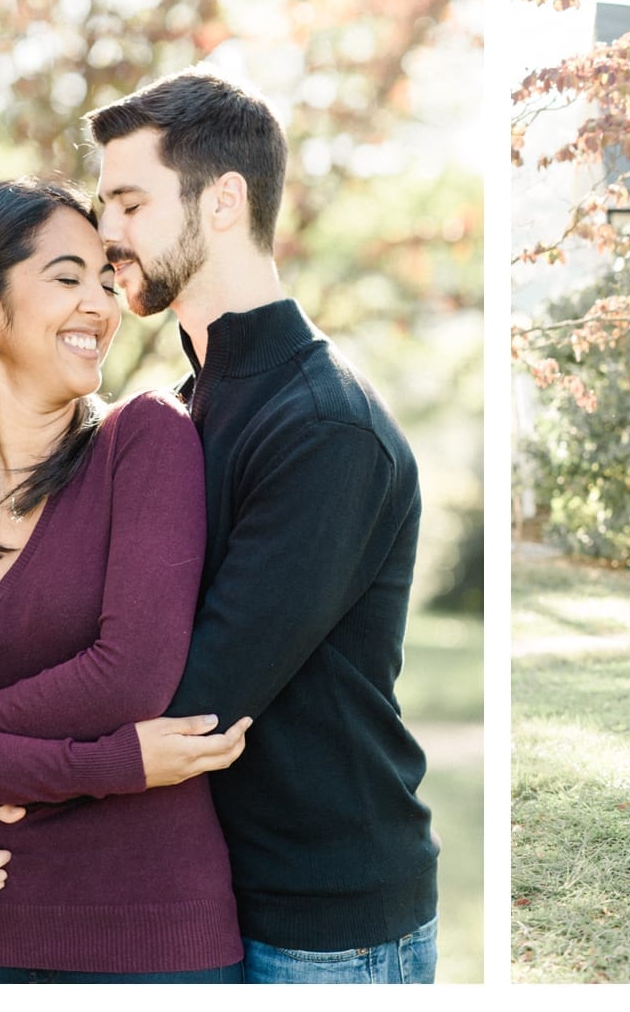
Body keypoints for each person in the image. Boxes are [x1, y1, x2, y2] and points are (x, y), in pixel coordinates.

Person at [0, 179, 252, 983]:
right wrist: (111, 765)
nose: (100, 304)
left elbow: (130, 676)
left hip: (156, 933)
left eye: (106, 278)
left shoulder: (145, 440)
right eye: (67, 278)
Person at [86, 69, 439, 983]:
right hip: (207, 901)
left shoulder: (324, 426)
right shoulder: (183, 405)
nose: (105, 233)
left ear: (224, 201)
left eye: (130, 201)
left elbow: (194, 704)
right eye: (102, 205)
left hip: (326, 928)